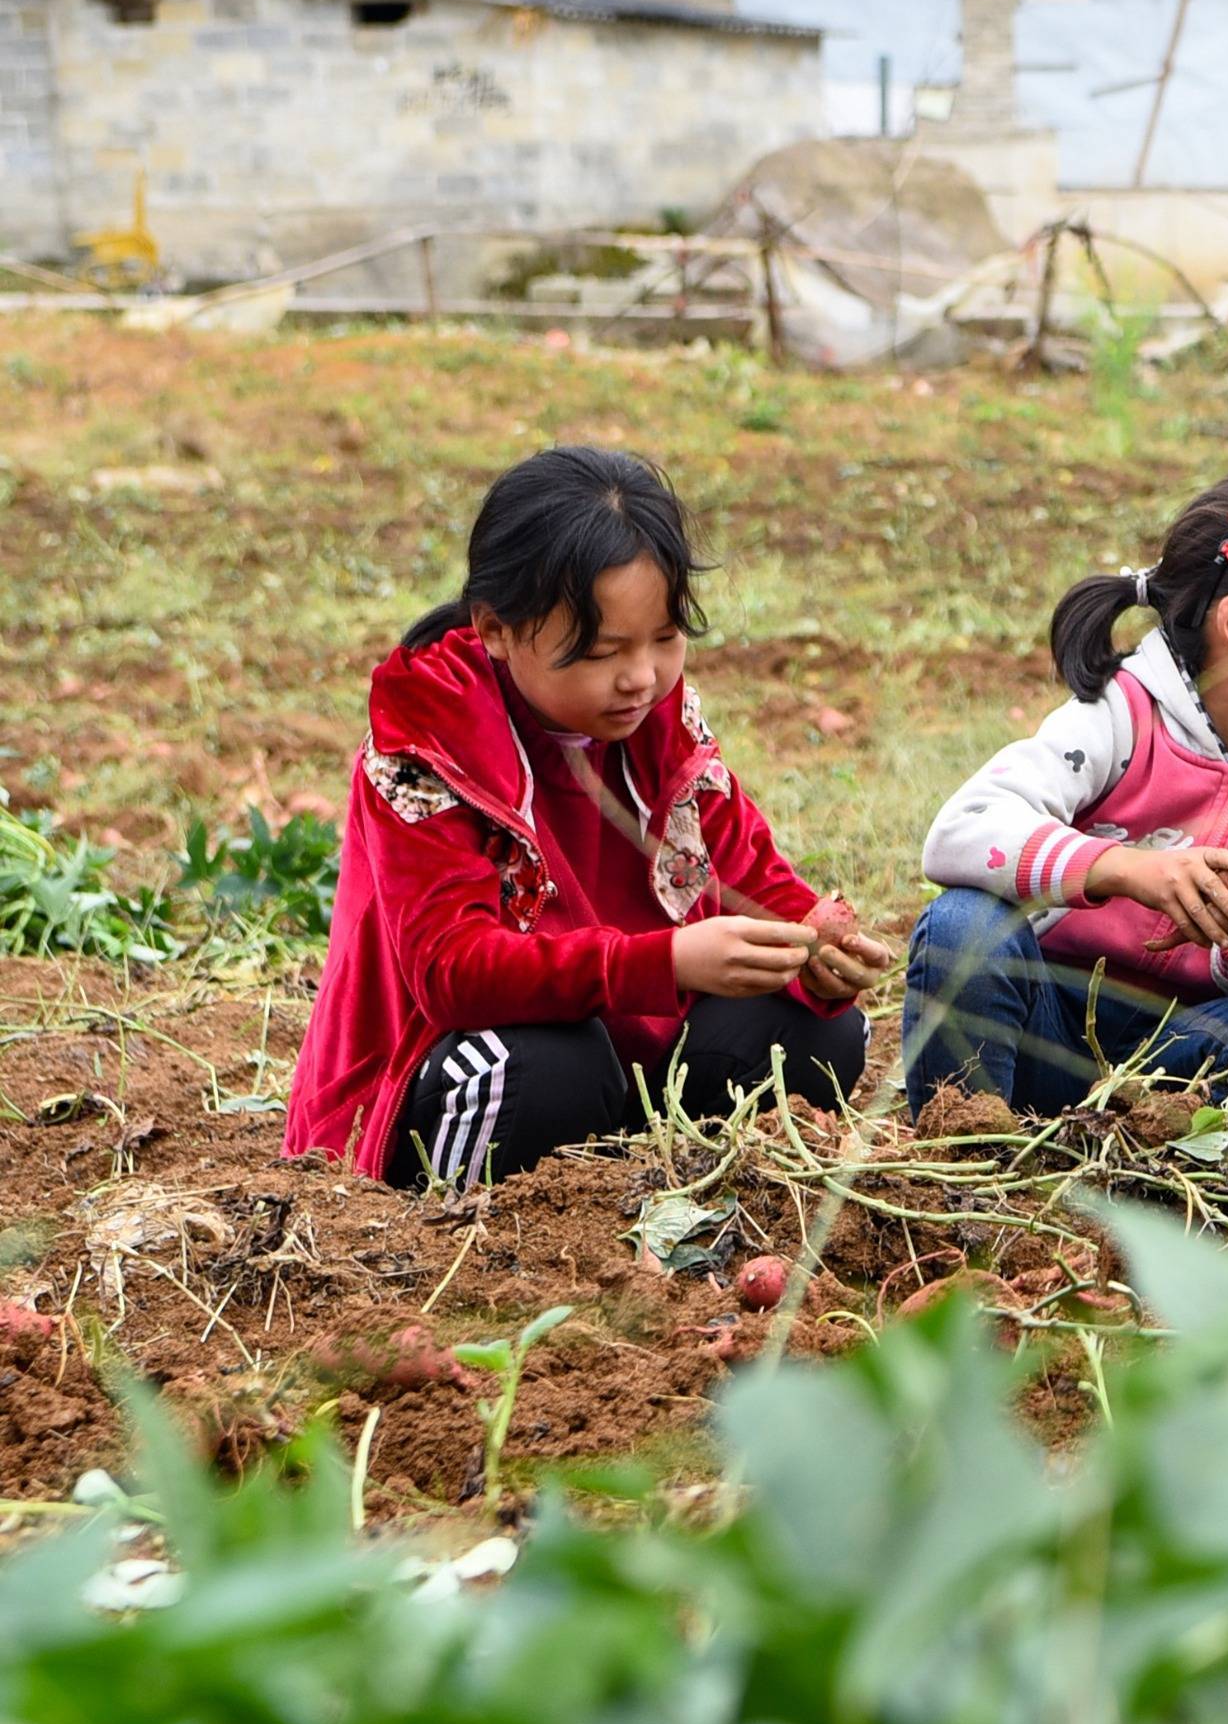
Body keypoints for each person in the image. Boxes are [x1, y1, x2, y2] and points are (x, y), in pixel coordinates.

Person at [285, 447, 888, 1189]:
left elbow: (746, 875)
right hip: (444, 1071)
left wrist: (817, 955)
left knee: (817, 1035)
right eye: (602, 652)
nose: (642, 677)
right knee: (542, 1068)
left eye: (665, 639)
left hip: (632, 1066)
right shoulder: (427, 744)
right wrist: (664, 963)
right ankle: (471, 1219)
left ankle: (654, 1181)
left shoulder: (661, 723)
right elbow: (452, 972)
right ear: (497, 629)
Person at [901, 470, 1228, 1116]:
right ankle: (973, 1148)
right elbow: (961, 830)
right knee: (962, 926)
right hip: (1041, 1033)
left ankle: (1174, 1159)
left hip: (1190, 1065)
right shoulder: (1124, 712)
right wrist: (1126, 870)